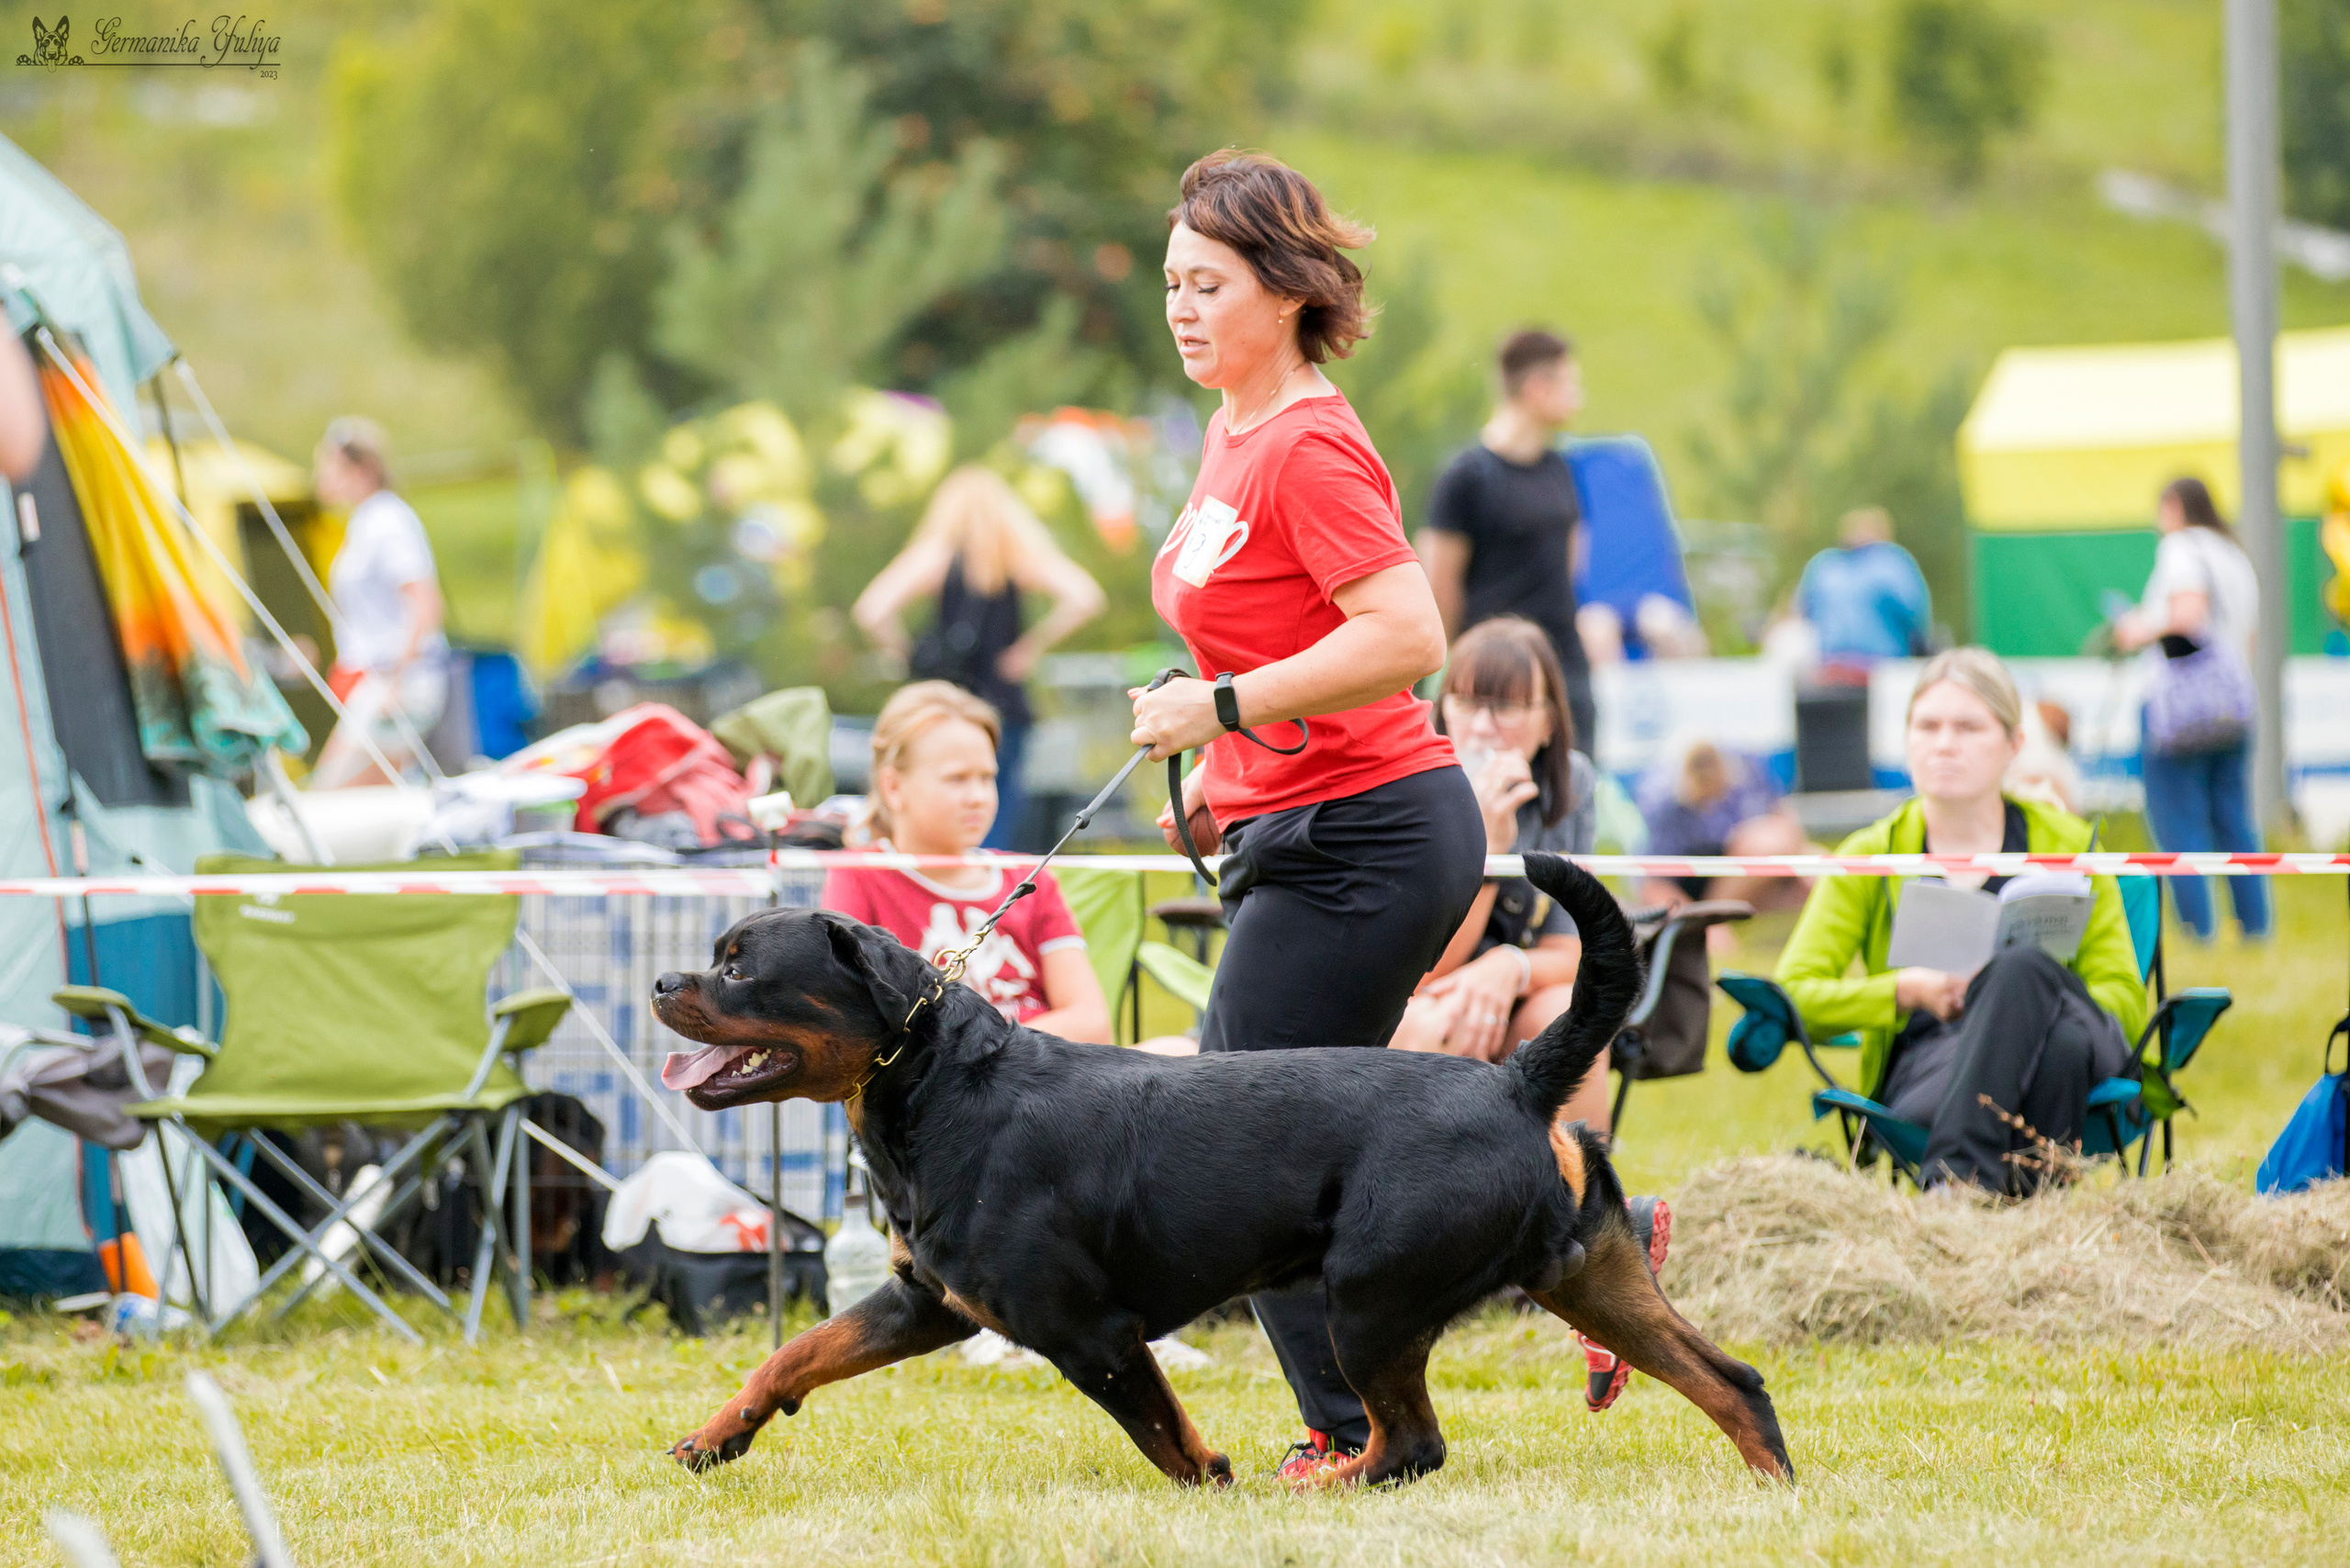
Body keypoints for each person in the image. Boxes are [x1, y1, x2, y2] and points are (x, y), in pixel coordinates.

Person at [1133, 150, 1482, 1482]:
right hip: (1299, 825)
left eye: (1208, 283)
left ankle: (1361, 1433)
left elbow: (1407, 636)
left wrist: (1219, 714)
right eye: (1170, 281)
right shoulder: (1231, 429)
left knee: (1241, 1132)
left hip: (1378, 834)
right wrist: (1228, 787)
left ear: (1282, 293)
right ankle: (1565, 1204)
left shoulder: (1312, 442)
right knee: (1283, 1124)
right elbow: (1285, 634)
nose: (1181, 305)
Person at [1775, 649, 2151, 1193]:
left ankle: (1950, 1185)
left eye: (1969, 727)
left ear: (2014, 745)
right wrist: (1906, 991)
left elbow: (2124, 998)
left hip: (2088, 1044)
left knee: (2023, 972)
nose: (1945, 743)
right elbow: (1792, 993)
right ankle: (2029, 1227)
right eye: (1927, 726)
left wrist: (2032, 995)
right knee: (2058, 1050)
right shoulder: (1872, 854)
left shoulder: (2069, 846)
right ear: (1906, 740)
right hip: (1937, 1062)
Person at [824, 682, 1110, 1043]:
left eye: (987, 777)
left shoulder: (1028, 876)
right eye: (957, 779)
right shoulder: (860, 874)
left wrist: (977, 1046)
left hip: (1041, 1082)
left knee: (1178, 1050)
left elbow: (1092, 1021)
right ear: (893, 787)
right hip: (935, 1094)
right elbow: (854, 1025)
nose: (977, 797)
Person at [854, 465, 1105, 850]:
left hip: (939, 710)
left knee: (934, 803)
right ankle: (988, 895)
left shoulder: (937, 557)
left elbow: (872, 610)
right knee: (994, 807)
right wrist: (1029, 648)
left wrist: (904, 653)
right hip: (1003, 706)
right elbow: (1085, 596)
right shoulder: (1017, 559)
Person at [1416, 328, 1596, 754]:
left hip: (1562, 667)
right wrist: (1452, 677)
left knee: (1573, 795)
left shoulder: (1560, 469)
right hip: (1492, 679)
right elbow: (1439, 588)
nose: (1578, 396)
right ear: (1537, 388)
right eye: (1571, 384)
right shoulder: (1465, 478)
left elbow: (1571, 565)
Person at [2111, 476, 2271, 943]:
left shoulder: (2181, 548)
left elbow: (2188, 613)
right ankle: (2254, 927)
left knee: (2179, 822)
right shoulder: (2234, 555)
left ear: (2174, 506)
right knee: (2235, 821)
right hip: (2233, 705)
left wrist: (2136, 629)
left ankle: (2199, 930)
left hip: (2178, 711)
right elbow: (2249, 640)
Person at [309, 418, 448, 788]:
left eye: (329, 465)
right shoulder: (365, 522)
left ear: (361, 470)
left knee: (331, 792)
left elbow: (426, 605)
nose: (321, 475)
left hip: (395, 684)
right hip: (375, 681)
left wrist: (395, 683)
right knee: (377, 797)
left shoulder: (388, 520)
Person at [1634, 738, 1809, 915]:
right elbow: (1652, 884)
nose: (1707, 775)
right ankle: (1713, 915)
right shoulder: (1665, 806)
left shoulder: (1745, 777)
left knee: (1810, 865)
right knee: (1767, 845)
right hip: (1685, 887)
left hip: (1747, 870)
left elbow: (1784, 822)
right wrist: (1698, 921)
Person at [1794, 506, 1933, 678]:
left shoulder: (1823, 565)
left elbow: (1803, 610)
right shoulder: (1892, 561)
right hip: (1882, 668)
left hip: (1830, 669)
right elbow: (1914, 614)